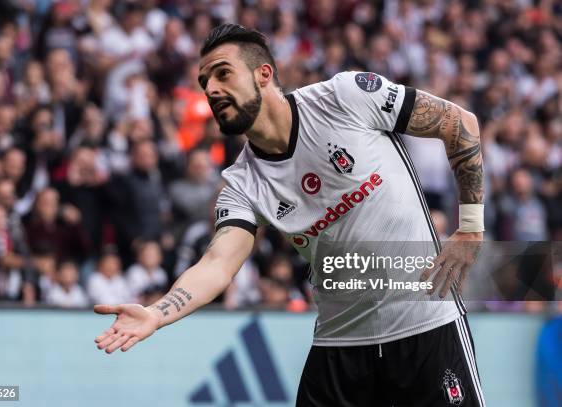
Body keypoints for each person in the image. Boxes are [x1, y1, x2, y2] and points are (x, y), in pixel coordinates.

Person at [94, 24, 486, 407]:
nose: (211, 89)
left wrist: (470, 229)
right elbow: (217, 264)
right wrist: (156, 313)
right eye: (204, 82)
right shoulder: (242, 184)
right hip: (340, 349)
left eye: (222, 73)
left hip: (427, 328)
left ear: (263, 74)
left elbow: (459, 124)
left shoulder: (345, 96)